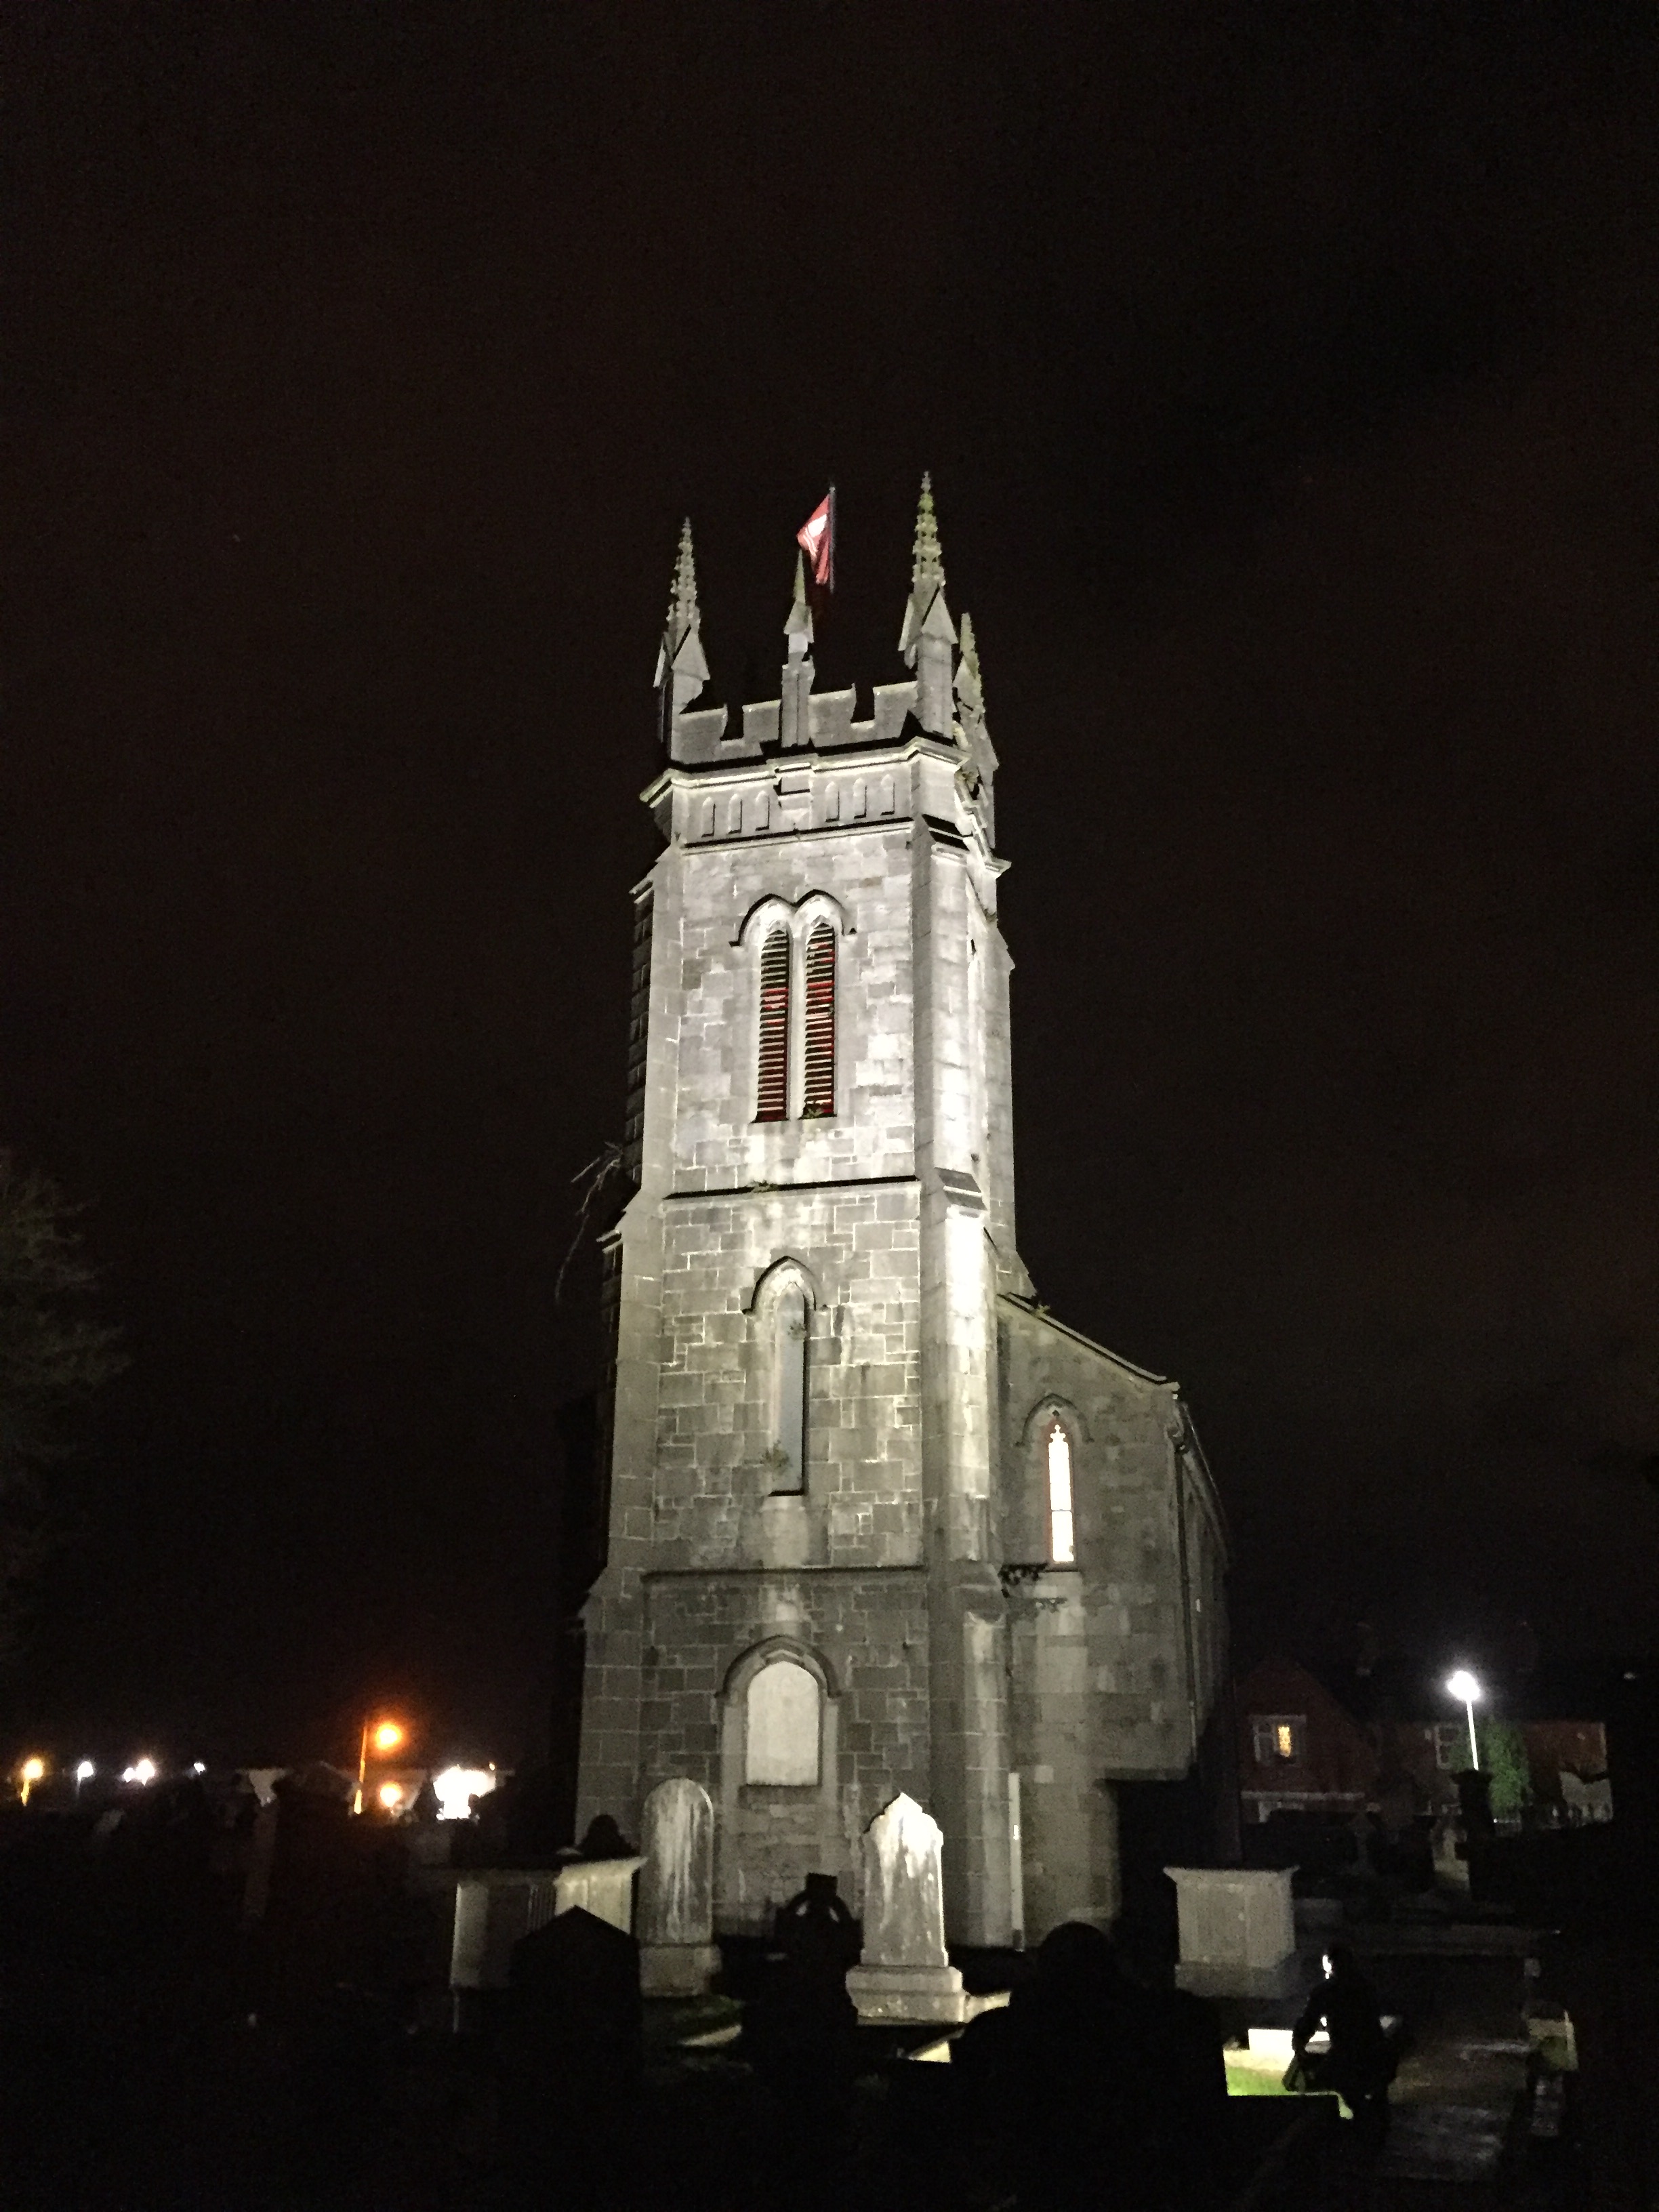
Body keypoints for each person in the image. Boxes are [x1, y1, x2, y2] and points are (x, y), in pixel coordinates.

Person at [1292, 1945, 1394, 2143]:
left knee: (1337, 2082)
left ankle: (1361, 2124)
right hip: (1377, 2051)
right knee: (1375, 2091)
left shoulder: (1326, 1991)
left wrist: (1298, 2043)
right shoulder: (1365, 1985)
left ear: (1331, 1966)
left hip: (1349, 2055)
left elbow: (1309, 2021)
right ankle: (1375, 2121)